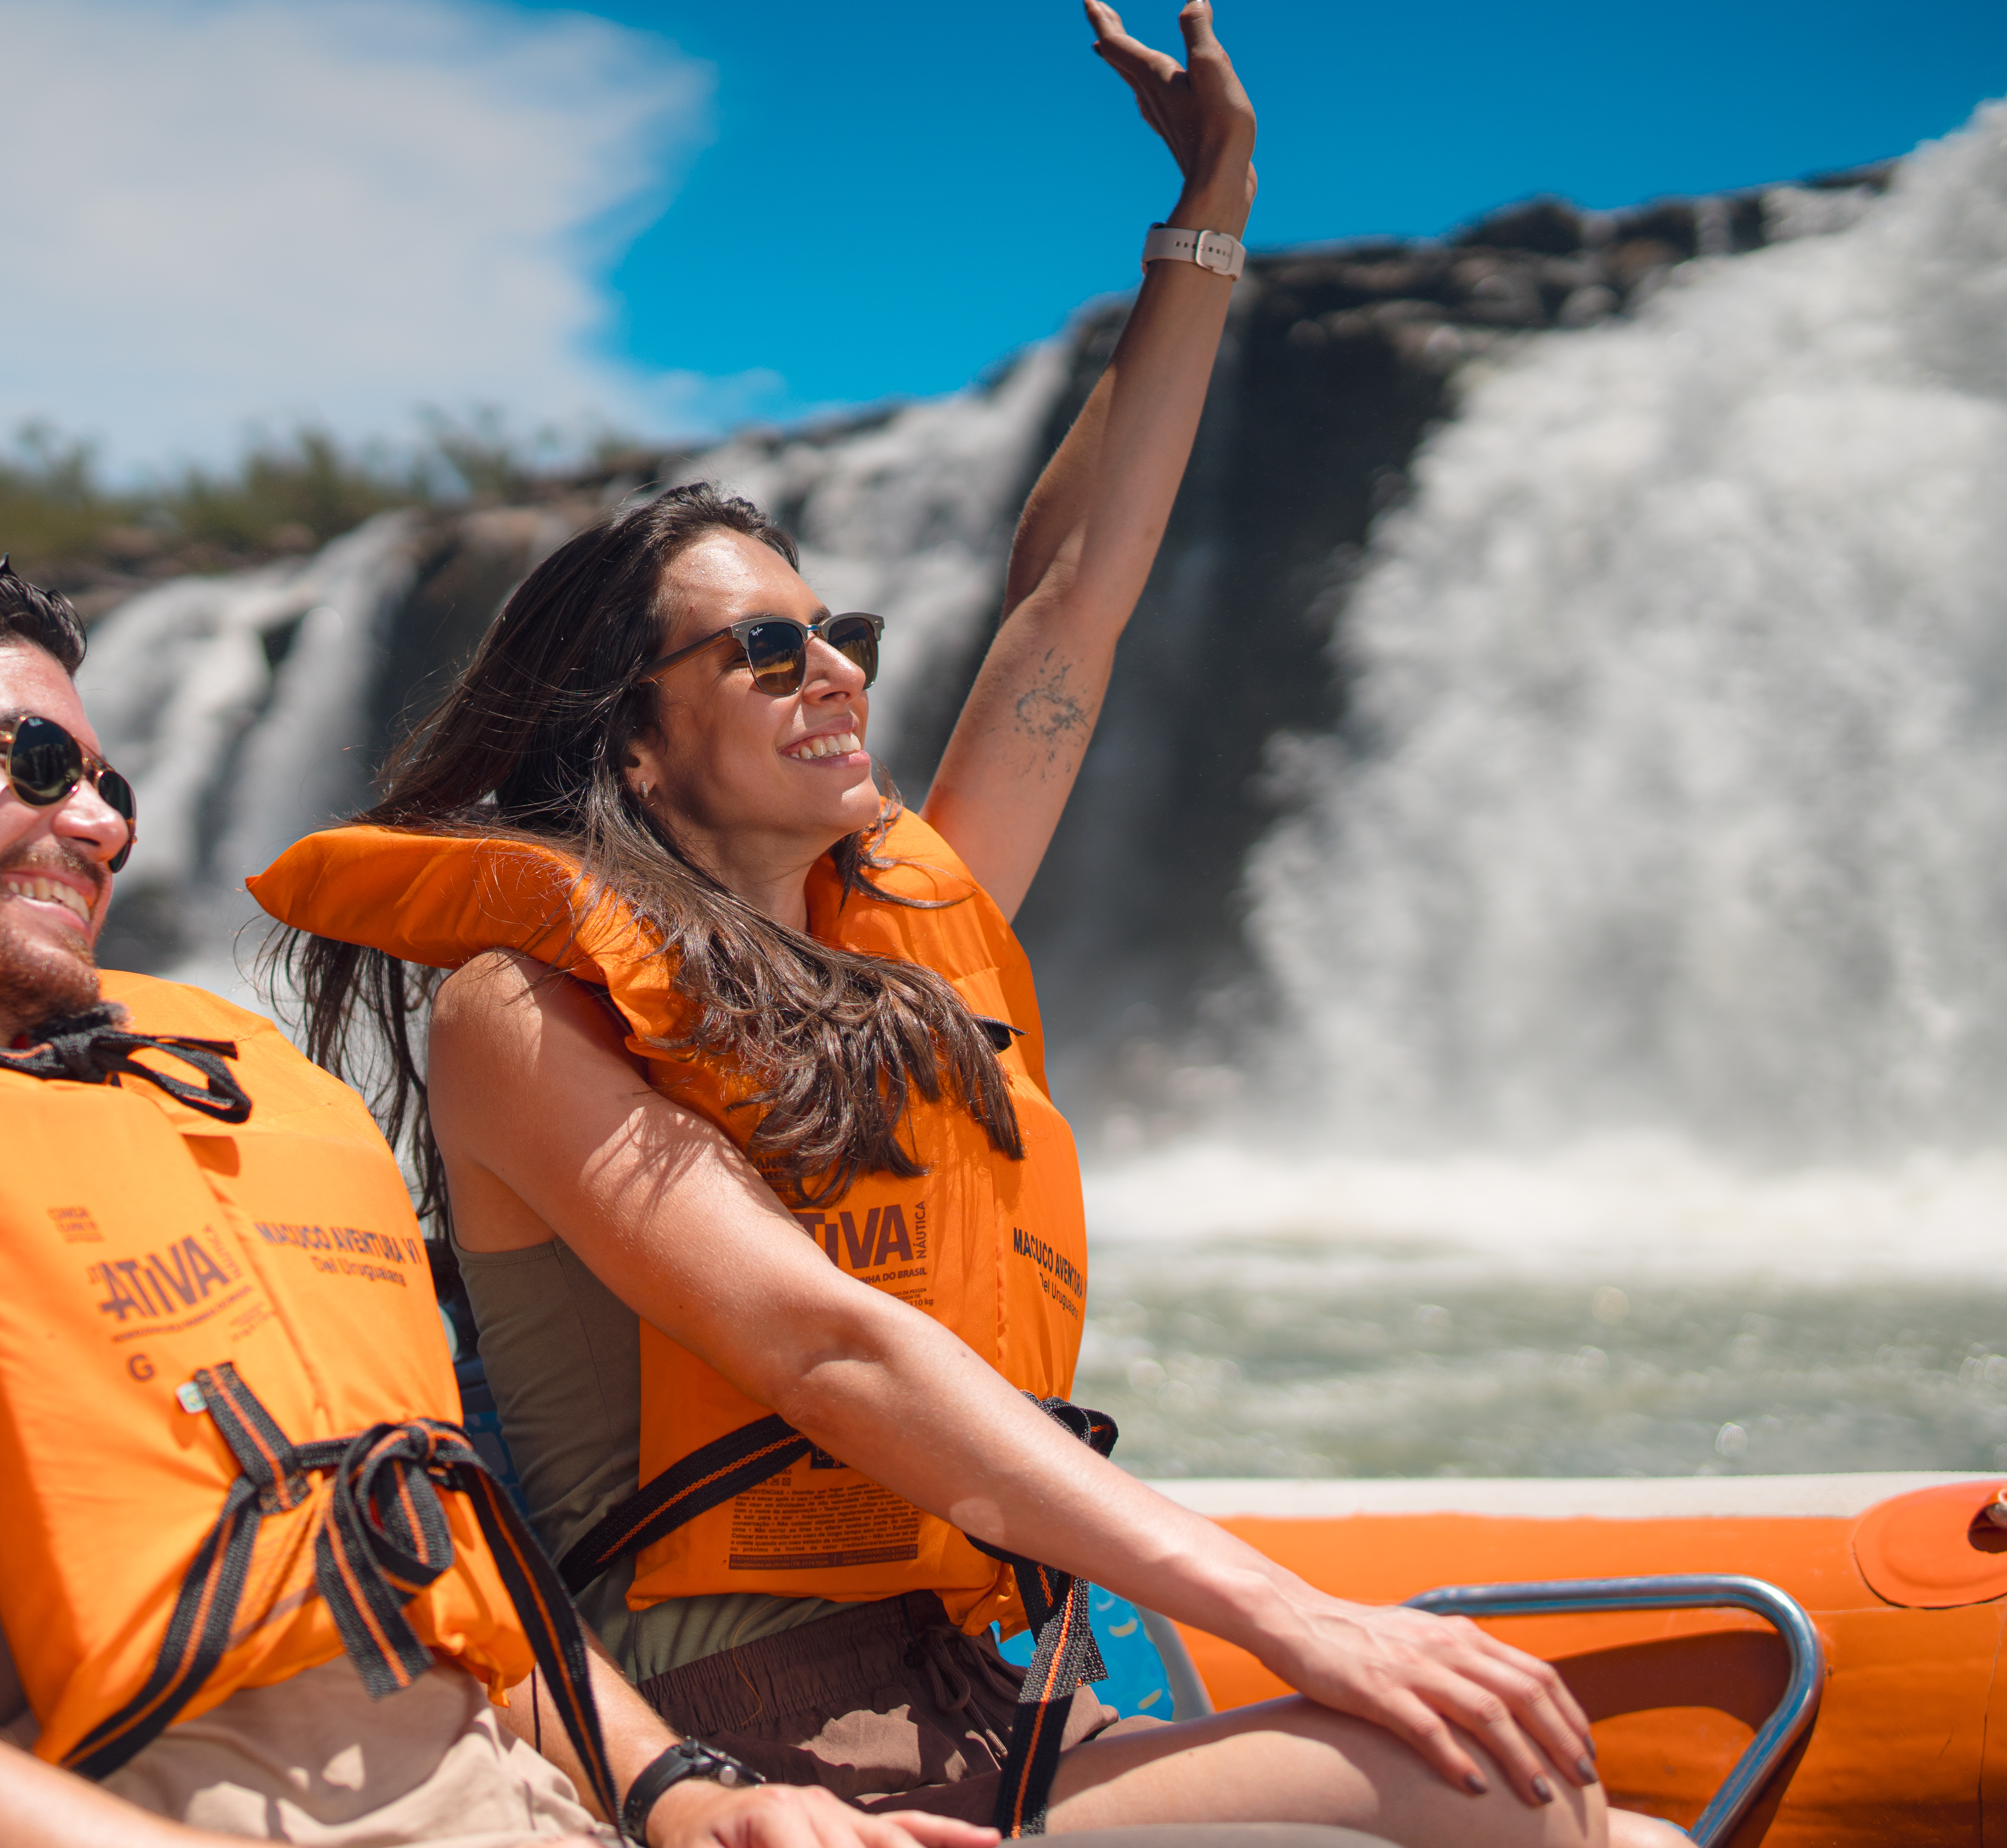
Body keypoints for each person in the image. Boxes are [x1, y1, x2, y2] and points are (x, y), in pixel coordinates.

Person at [250, 8, 1678, 1848]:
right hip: (754, 1732)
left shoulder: (896, 936)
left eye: (836, 627)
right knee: (1495, 1785)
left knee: (1610, 1827)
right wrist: (1283, 1608)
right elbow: (822, 1348)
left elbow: (1070, 608)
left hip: (991, 1683)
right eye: (767, 649)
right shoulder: (520, 1011)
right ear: (634, 735)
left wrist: (1211, 211)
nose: (834, 667)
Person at [0, 560, 1118, 1848]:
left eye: (113, 788)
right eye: (37, 764)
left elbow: (422, 1560)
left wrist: (680, 1795)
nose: (103, 827)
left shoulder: (211, 1168)